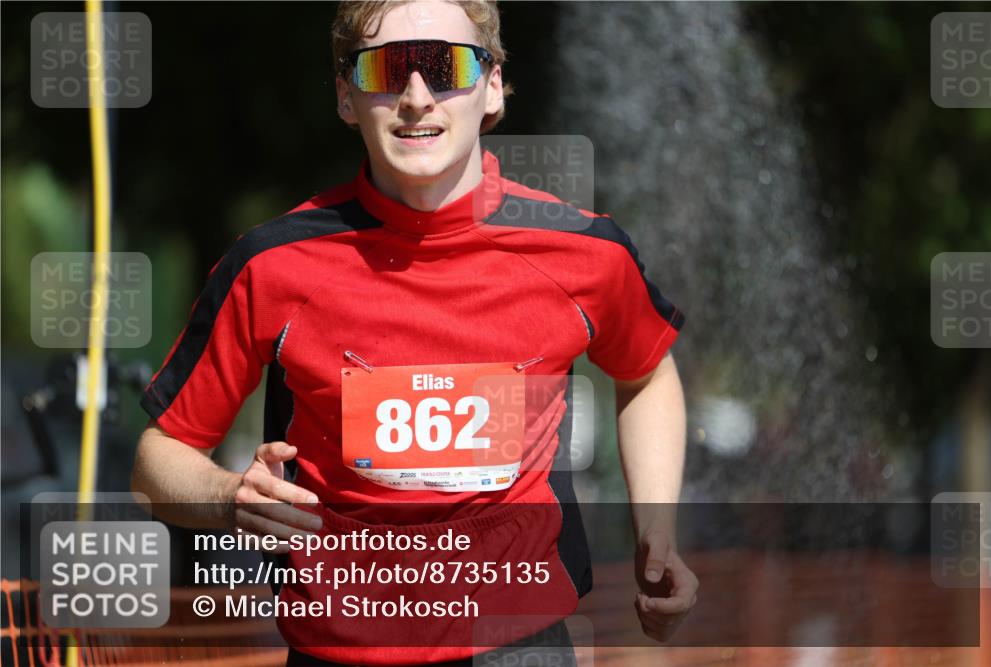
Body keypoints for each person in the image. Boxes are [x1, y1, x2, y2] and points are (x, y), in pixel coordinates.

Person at [131, 1, 698, 665]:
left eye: (445, 66)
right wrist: (230, 498)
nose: (416, 97)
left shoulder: (585, 251)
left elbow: (646, 373)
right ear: (346, 97)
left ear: (492, 86)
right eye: (385, 70)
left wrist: (656, 530)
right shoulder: (271, 265)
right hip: (335, 652)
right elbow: (155, 461)